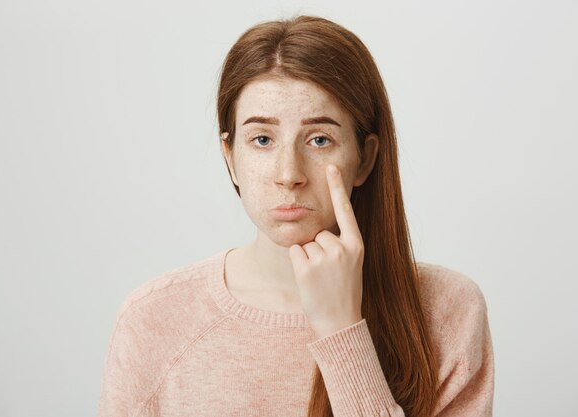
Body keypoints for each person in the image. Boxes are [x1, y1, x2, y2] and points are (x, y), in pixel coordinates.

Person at [96, 15, 494, 417]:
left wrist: (342, 332)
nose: (289, 175)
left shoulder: (448, 311)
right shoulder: (154, 320)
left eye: (319, 140)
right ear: (231, 158)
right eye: (262, 139)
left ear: (364, 159)